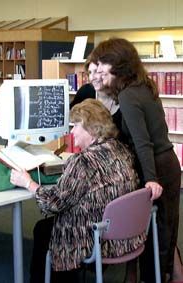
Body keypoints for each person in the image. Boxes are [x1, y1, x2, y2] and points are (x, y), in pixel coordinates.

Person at [10, 99, 142, 283]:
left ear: (92, 128)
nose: (71, 132)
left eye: (75, 126)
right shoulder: (121, 149)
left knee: (43, 229)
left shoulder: (83, 161)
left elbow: (53, 204)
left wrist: (28, 182)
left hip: (95, 238)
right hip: (124, 233)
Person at [89, 37, 182, 283]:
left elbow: (142, 142)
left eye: (103, 64)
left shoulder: (129, 95)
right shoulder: (143, 86)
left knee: (157, 236)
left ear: (118, 64)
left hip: (156, 167)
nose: (99, 70)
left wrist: (150, 179)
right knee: (166, 232)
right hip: (168, 163)